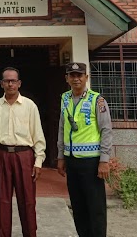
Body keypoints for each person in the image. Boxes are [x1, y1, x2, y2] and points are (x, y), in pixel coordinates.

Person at [0, 67, 46, 237]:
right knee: (2, 202)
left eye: (13, 80)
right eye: (7, 80)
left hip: (24, 156)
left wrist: (38, 161)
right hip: (2, 156)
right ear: (1, 84)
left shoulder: (29, 105)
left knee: (27, 202)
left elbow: (38, 135)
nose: (10, 83)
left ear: (19, 83)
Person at [57, 62, 113, 237]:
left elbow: (106, 130)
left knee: (95, 208)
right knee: (78, 206)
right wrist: (60, 156)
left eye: (79, 75)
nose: (76, 79)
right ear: (67, 78)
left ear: (86, 78)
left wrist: (104, 160)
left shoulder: (97, 100)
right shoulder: (65, 98)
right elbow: (62, 127)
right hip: (72, 161)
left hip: (92, 162)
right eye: (72, 75)